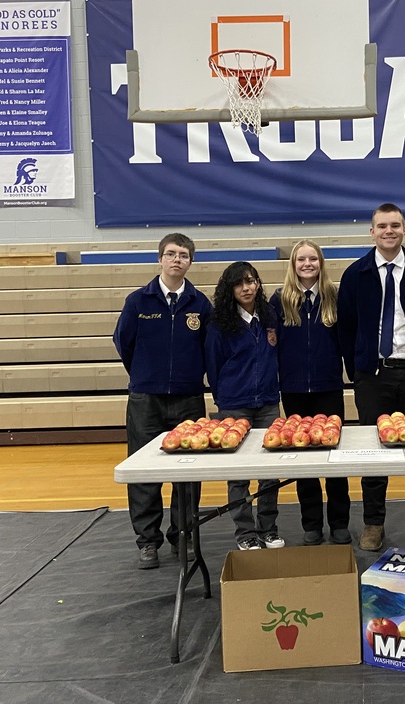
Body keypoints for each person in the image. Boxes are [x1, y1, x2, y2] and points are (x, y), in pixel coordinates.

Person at [337, 203, 405, 552]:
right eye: (382, 226)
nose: (389, 231)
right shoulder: (356, 274)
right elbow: (347, 328)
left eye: (395, 225)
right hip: (373, 376)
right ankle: (373, 524)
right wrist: (358, 370)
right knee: (373, 454)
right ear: (371, 231)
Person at [113, 233, 212, 570]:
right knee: (144, 472)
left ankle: (181, 536)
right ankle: (147, 542)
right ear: (159, 259)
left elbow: (207, 350)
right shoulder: (138, 302)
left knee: (187, 473)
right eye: (170, 254)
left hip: (188, 399)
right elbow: (124, 343)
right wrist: (145, 375)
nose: (176, 260)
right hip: (146, 399)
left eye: (183, 255)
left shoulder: (200, 304)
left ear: (190, 262)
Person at [269, 240, 352, 546]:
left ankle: (340, 521)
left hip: (328, 387)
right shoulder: (279, 301)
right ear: (293, 264)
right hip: (292, 389)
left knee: (334, 458)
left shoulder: (334, 296)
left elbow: (345, 340)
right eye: (301, 259)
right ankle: (312, 523)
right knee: (303, 459)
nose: (307, 264)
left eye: (312, 259)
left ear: (321, 263)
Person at [205, 261, 285, 551]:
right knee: (238, 474)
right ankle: (245, 532)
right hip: (234, 405)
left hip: (266, 403)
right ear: (230, 289)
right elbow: (213, 366)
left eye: (251, 281)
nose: (246, 288)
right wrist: (224, 399)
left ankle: (268, 528)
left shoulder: (269, 315)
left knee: (269, 471)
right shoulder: (219, 323)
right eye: (239, 283)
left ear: (258, 284)